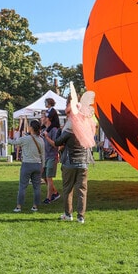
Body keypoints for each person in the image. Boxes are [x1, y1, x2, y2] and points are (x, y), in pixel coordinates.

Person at [48, 96, 92, 224]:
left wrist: (61, 131)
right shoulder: (86, 131)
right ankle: (81, 217)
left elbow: (57, 143)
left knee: (68, 190)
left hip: (69, 163)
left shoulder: (68, 131)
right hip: (83, 163)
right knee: (82, 191)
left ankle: (68, 214)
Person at [9, 119, 45, 213]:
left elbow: (13, 142)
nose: (28, 127)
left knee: (22, 186)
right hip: (37, 165)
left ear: (31, 128)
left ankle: (19, 206)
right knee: (37, 187)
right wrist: (43, 166)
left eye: (29, 126)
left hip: (27, 165)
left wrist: (6, 138)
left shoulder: (26, 139)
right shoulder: (41, 140)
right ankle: (35, 206)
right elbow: (43, 155)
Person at [40, 114, 60, 204]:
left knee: (49, 177)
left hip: (52, 156)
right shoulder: (43, 130)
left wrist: (47, 137)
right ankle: (55, 193)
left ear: (48, 118)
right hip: (45, 157)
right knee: (44, 177)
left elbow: (55, 144)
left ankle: (48, 198)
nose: (41, 119)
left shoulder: (54, 130)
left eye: (42, 117)